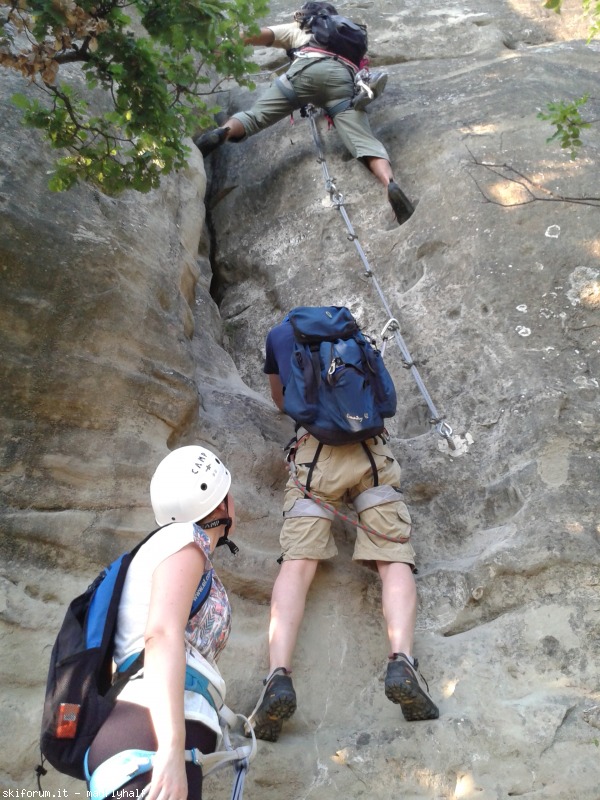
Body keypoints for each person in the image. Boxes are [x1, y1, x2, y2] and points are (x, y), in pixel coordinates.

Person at [246, 312, 439, 742]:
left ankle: (277, 676)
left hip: (315, 458)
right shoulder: (351, 334)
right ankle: (402, 662)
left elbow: (282, 401)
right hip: (371, 453)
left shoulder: (279, 335)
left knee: (297, 564)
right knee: (394, 560)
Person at [86, 445, 241, 800]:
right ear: (221, 502)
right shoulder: (184, 541)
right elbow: (161, 634)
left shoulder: (175, 546)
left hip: (142, 740)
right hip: (150, 748)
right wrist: (170, 751)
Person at [194, 1, 414, 225]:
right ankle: (390, 184)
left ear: (309, 15)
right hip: (341, 81)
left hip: (304, 71)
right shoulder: (350, 39)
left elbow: (253, 35)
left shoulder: (301, 27)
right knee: (364, 142)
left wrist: (224, 45)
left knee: (254, 117)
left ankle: (223, 132)